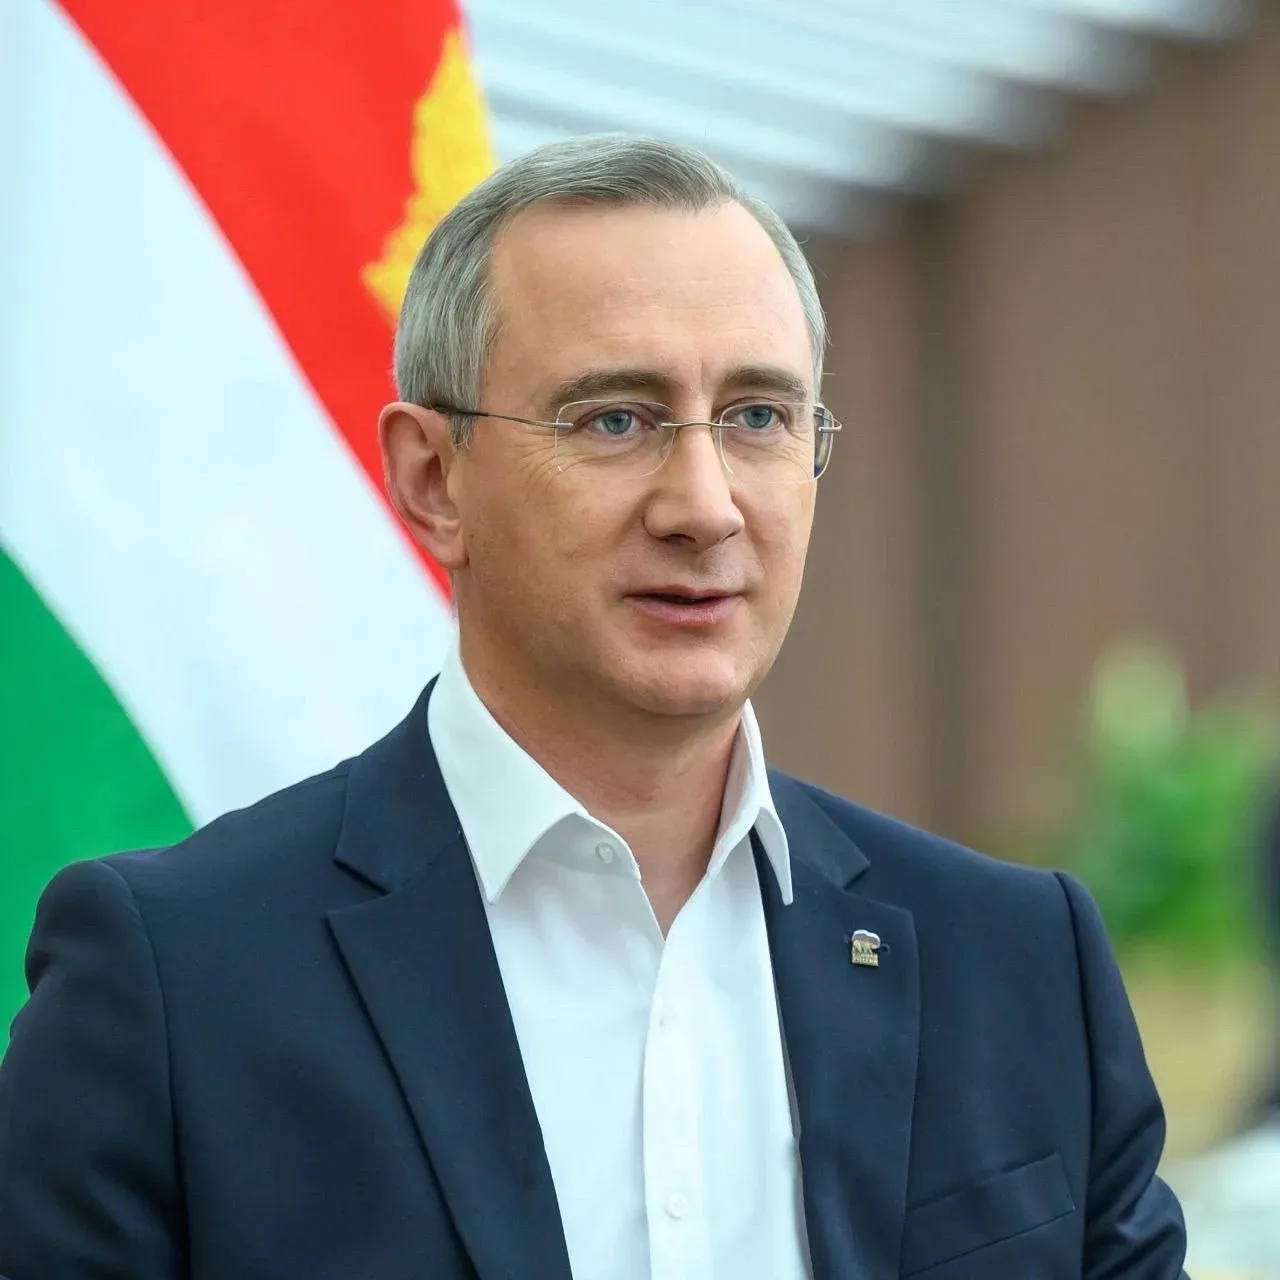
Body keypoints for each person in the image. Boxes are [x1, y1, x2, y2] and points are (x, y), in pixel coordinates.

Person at [0, 135, 1188, 1279]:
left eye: (757, 416)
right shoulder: (177, 980)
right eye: (614, 419)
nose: (704, 505)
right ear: (432, 478)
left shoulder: (1017, 963)